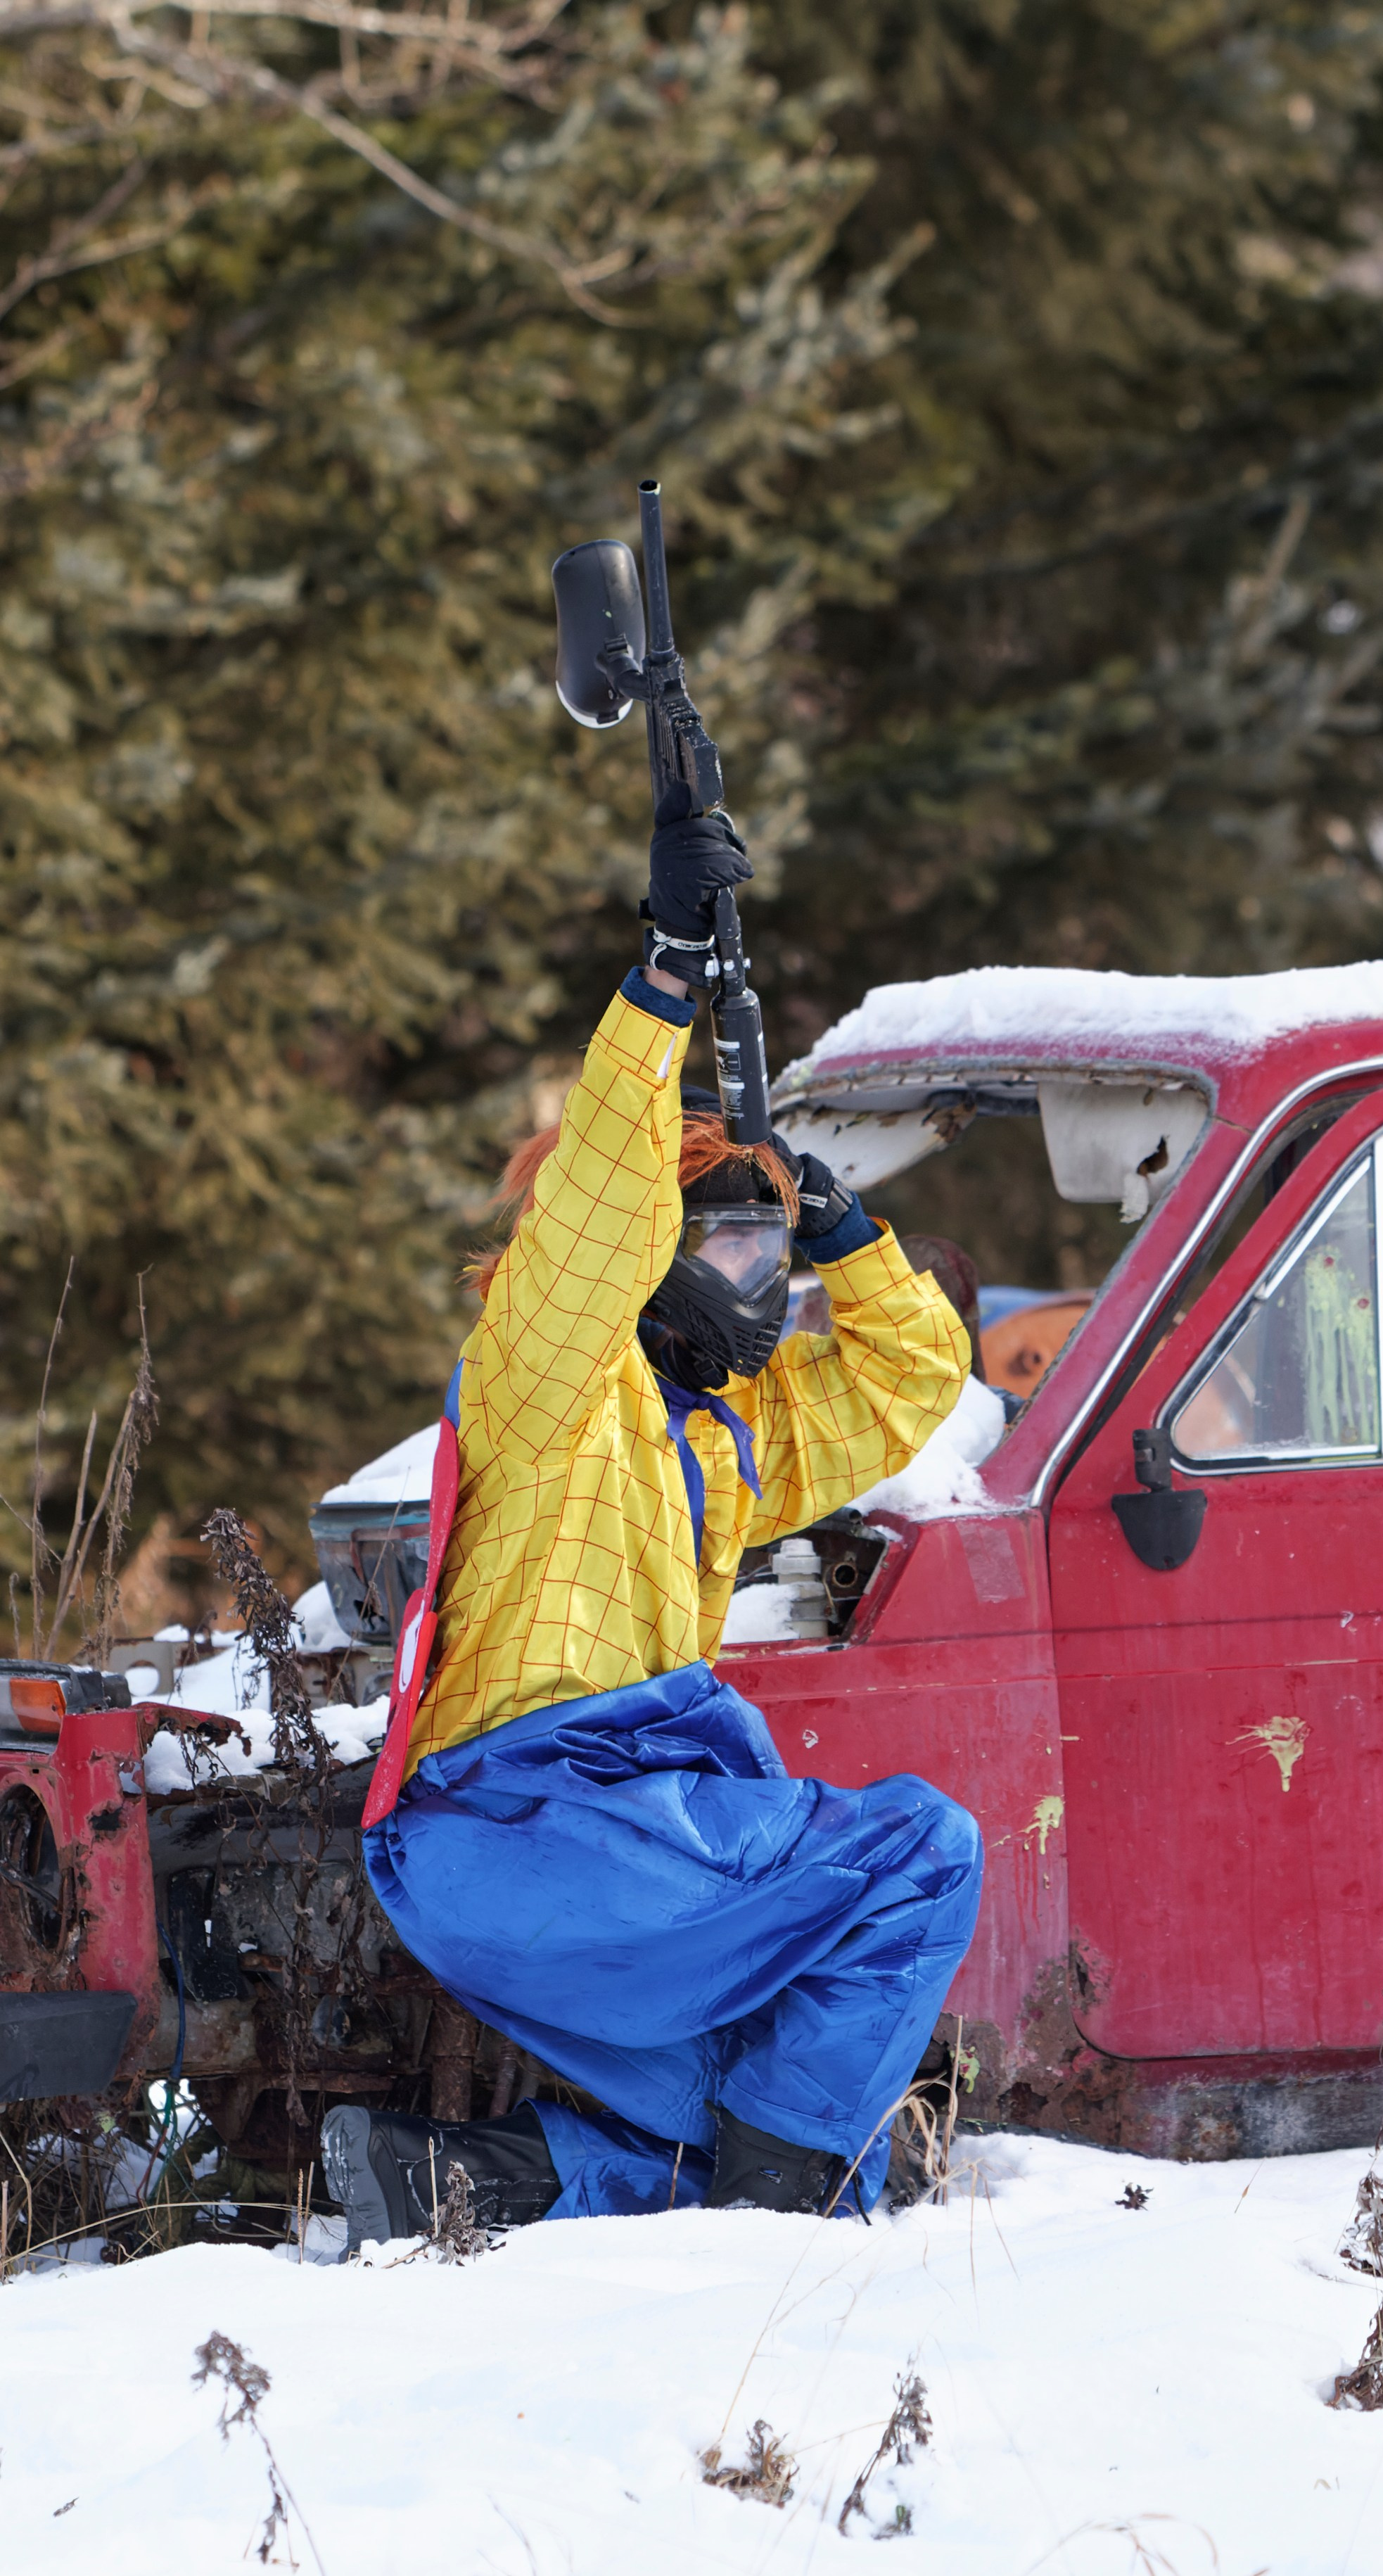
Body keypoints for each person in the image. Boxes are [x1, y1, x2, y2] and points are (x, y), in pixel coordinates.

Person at [320, 797, 981, 2246]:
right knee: (925, 1850)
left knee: (779, 2116)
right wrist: (664, 974)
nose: (754, 1281)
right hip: (524, 1814)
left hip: (591, 1853)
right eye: (726, 1245)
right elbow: (599, 1213)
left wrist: (841, 1224)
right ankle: (772, 2257)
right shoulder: (554, 1376)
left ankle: (467, 2179)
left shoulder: (726, 1435)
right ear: (659, 1259)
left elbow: (912, 1374)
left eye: (767, 1251)